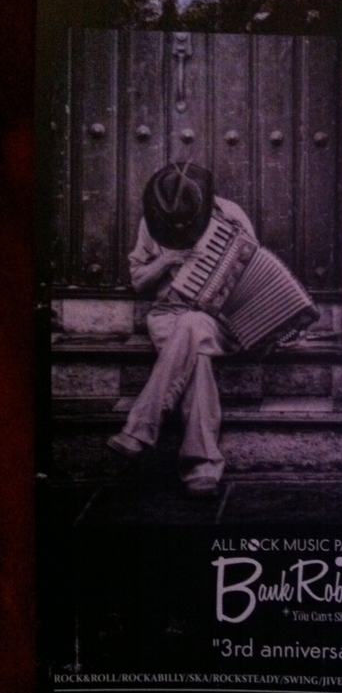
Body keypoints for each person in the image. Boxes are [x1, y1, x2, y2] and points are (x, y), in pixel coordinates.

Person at [107, 161, 255, 496]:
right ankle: (202, 467)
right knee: (195, 353)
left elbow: (252, 275)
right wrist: (166, 260)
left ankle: (139, 430)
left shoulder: (231, 215)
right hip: (169, 312)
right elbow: (138, 282)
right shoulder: (154, 220)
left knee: (193, 326)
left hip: (220, 319)